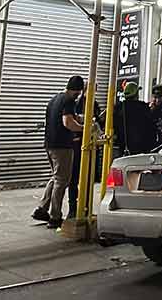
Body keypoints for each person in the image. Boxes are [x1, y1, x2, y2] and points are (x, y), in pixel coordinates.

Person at [32, 75, 84, 229]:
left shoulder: (54, 99)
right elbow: (67, 122)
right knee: (62, 181)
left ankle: (42, 209)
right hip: (62, 146)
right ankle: (55, 217)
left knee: (56, 177)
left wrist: (80, 118)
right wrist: (85, 128)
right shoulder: (69, 100)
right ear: (77, 91)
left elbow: (64, 118)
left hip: (49, 144)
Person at [66, 83, 103, 220]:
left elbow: (98, 122)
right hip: (78, 145)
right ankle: (73, 209)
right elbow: (73, 122)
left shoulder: (95, 105)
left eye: (95, 91)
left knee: (87, 178)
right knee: (74, 178)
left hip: (91, 145)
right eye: (91, 90)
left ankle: (85, 206)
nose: (94, 93)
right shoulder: (77, 104)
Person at [113, 81, 157, 155]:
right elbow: (151, 127)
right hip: (142, 149)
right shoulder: (144, 107)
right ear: (136, 94)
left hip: (124, 148)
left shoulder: (118, 108)